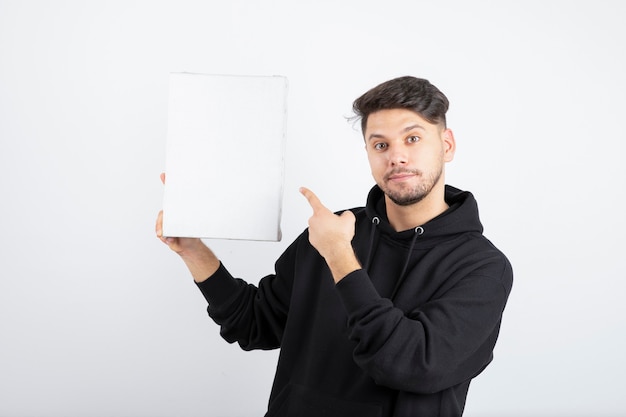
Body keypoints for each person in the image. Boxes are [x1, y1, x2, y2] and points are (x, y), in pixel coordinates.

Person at [155, 76, 513, 417]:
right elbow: (254, 323)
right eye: (381, 144)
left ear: (446, 145)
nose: (397, 157)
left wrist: (339, 255)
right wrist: (192, 249)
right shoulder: (334, 230)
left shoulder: (481, 267)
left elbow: (411, 365)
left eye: (413, 139)